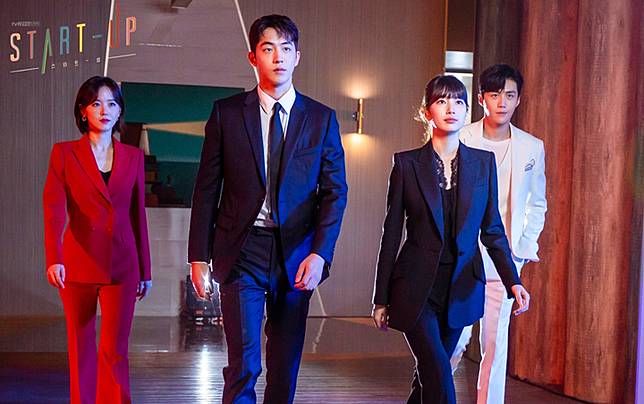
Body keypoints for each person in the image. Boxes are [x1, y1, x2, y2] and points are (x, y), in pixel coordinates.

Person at [188, 14, 347, 404]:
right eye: (268, 48)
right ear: (252, 57)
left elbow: (334, 192)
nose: (278, 57)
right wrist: (198, 257)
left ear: (297, 57)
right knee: (244, 364)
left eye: (286, 49)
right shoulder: (226, 113)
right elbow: (206, 189)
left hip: (297, 255)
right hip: (242, 249)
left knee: (284, 364)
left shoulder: (321, 119)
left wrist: (320, 253)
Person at [371, 75, 530, 404]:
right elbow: (391, 233)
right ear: (427, 111)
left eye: (458, 101)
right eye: (442, 101)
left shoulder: (483, 164)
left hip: (461, 289)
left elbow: (492, 230)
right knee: (439, 373)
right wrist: (381, 298)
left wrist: (512, 280)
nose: (451, 108)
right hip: (416, 289)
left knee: (430, 377)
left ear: (467, 109)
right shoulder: (406, 164)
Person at [43, 76, 152, 404]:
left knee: (115, 349)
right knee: (81, 346)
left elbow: (138, 215)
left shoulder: (133, 156)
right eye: (96, 103)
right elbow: (53, 209)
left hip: (123, 264)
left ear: (120, 111)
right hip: (77, 262)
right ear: (83, 110)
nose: (105, 110)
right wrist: (54, 258)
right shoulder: (64, 153)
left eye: (112, 103)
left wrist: (145, 270)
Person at [450, 64, 547, 404]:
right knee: (454, 339)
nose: (502, 102)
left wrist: (522, 248)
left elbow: (538, 202)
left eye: (509, 95)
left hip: (506, 257)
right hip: (463, 255)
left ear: (518, 99)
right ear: (481, 99)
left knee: (494, 343)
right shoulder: (462, 138)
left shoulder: (532, 147)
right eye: (494, 95)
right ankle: (433, 393)